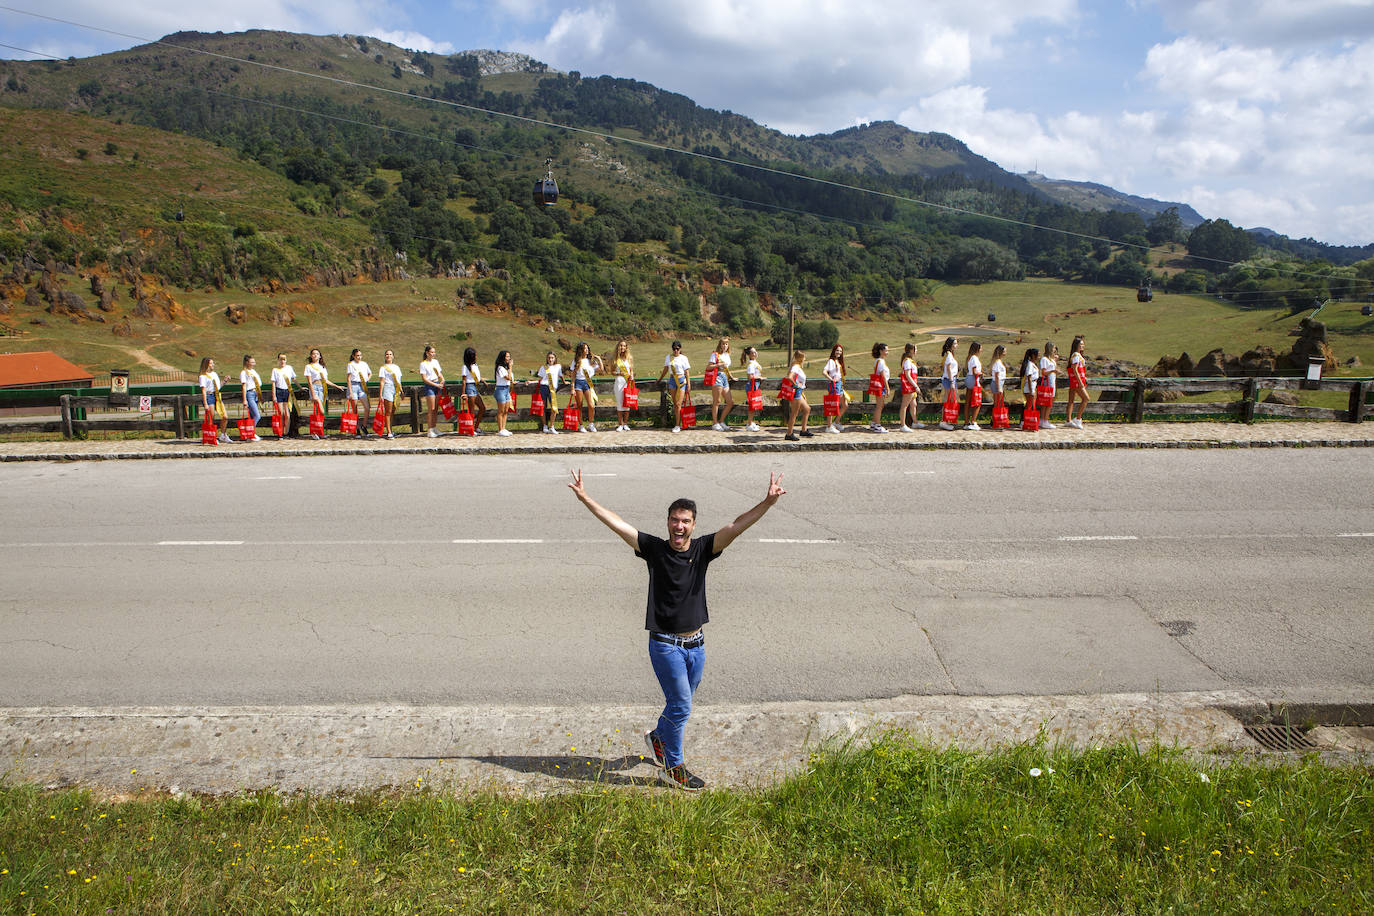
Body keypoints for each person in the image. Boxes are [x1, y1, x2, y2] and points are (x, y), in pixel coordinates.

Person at [567, 468, 788, 791]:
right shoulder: (654, 550)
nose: (679, 526)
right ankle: (673, 766)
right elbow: (617, 524)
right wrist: (586, 498)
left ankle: (658, 736)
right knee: (682, 705)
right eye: (674, 519)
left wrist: (767, 502)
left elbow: (737, 525)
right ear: (668, 522)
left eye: (685, 521)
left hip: (697, 646)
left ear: (693, 525)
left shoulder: (702, 550)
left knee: (678, 705)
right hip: (665, 644)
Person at [303, 348, 344, 440]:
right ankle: (315, 431)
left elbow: (325, 380)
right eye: (313, 354)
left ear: (320, 356)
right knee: (321, 411)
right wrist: (312, 393)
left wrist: (336, 386)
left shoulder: (322, 367)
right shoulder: (309, 367)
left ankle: (318, 431)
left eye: (317, 354)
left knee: (319, 412)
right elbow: (309, 381)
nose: (315, 355)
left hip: (322, 388)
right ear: (311, 356)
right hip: (314, 387)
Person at [656, 341, 691, 433]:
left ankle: (678, 424)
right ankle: (677, 423)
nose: (676, 350)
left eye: (677, 349)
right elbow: (666, 369)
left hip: (681, 380)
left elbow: (687, 372)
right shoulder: (669, 357)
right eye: (674, 349)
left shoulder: (684, 358)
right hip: (672, 380)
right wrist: (660, 379)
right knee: (675, 404)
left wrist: (689, 384)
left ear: (680, 349)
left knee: (679, 403)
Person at [783, 349, 813, 441]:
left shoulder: (796, 366)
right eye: (804, 358)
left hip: (799, 392)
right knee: (794, 413)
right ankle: (789, 433)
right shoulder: (796, 367)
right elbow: (789, 377)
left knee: (807, 409)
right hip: (796, 391)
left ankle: (803, 430)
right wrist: (796, 385)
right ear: (800, 358)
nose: (805, 359)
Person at [198, 357, 228, 443]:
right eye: (211, 363)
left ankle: (223, 435)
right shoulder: (203, 376)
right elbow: (203, 390)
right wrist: (205, 403)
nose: (213, 365)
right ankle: (211, 436)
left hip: (217, 395)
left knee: (225, 416)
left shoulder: (214, 374)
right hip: (209, 396)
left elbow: (217, 387)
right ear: (206, 364)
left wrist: (224, 381)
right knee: (211, 418)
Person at [707, 337, 735, 431]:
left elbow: (726, 368)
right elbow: (709, 366)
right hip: (717, 377)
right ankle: (715, 423)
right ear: (720, 345)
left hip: (724, 377)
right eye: (723, 344)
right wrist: (718, 365)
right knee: (717, 401)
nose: (724, 346)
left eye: (726, 344)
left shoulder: (727, 355)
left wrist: (731, 377)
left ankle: (721, 421)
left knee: (730, 402)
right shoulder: (715, 354)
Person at [571, 342, 599, 433]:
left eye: (587, 348)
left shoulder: (589, 360)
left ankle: (591, 424)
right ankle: (581, 425)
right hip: (578, 383)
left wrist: (598, 360)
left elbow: (598, 369)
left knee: (591, 405)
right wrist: (572, 387)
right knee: (579, 405)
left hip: (587, 383)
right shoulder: (576, 361)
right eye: (585, 348)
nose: (587, 350)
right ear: (581, 350)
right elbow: (573, 375)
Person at [345, 348, 373, 438]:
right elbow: (348, 378)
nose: (359, 357)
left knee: (367, 407)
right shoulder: (351, 365)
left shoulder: (364, 364)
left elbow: (370, 373)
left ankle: (363, 426)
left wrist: (366, 380)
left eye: (360, 355)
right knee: (355, 409)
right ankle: (356, 429)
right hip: (353, 385)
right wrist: (350, 392)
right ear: (353, 356)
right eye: (357, 356)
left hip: (362, 386)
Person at [419, 344, 445, 438]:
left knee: (436, 409)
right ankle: (429, 429)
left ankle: (434, 427)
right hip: (430, 386)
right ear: (427, 353)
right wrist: (435, 384)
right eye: (431, 352)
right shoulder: (423, 364)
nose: (433, 354)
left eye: (434, 352)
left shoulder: (436, 362)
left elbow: (439, 373)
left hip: (437, 384)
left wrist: (442, 379)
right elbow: (424, 378)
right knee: (431, 408)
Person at [270, 353, 296, 439]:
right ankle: (280, 432)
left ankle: (286, 432)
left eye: (284, 359)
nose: (282, 361)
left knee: (287, 414)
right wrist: (274, 395)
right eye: (281, 359)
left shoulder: (289, 368)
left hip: (287, 391)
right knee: (280, 413)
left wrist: (300, 387)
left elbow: (294, 379)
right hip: (279, 391)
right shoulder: (275, 370)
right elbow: (273, 383)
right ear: (278, 360)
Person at [461, 346, 488, 434]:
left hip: (475, 387)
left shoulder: (475, 365)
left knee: (482, 408)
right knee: (471, 410)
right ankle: (471, 429)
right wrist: (463, 393)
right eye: (474, 355)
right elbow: (464, 381)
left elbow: (477, 377)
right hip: (470, 387)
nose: (476, 357)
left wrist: (483, 381)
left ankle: (475, 427)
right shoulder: (465, 367)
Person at [377, 349, 403, 439]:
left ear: (393, 356)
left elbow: (399, 381)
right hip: (388, 388)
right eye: (387, 354)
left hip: (396, 389)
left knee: (393, 411)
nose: (388, 356)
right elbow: (382, 382)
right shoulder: (383, 368)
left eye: (390, 354)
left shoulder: (396, 367)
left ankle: (390, 430)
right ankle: (388, 432)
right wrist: (380, 394)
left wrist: (401, 391)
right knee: (388, 411)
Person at [822, 343, 847, 433]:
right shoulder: (831, 361)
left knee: (845, 404)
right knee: (833, 405)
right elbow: (824, 372)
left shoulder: (838, 361)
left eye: (840, 351)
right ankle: (829, 426)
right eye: (837, 350)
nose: (839, 352)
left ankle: (836, 422)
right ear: (834, 351)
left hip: (840, 385)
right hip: (835, 385)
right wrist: (831, 379)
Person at [537, 351, 563, 434]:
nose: (550, 359)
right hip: (543, 387)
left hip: (552, 389)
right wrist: (531, 382)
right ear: (547, 359)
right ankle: (545, 425)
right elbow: (540, 379)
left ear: (555, 358)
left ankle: (551, 426)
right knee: (543, 407)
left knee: (554, 408)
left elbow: (561, 375)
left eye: (552, 358)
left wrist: (564, 382)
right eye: (549, 358)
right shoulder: (543, 367)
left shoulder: (558, 367)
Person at [898, 343, 923, 431]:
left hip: (911, 386)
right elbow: (908, 375)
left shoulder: (910, 361)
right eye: (915, 349)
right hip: (909, 386)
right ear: (911, 350)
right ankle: (903, 425)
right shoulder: (908, 361)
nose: (916, 351)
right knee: (905, 405)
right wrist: (915, 386)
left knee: (913, 404)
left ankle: (915, 422)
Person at [1065, 335, 1089, 429]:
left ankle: (1068, 419)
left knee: (1071, 400)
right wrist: (1080, 381)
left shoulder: (1077, 355)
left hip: (1075, 380)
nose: (1083, 346)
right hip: (1077, 381)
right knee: (1086, 398)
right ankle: (1078, 418)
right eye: (1081, 344)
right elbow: (1075, 369)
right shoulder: (1076, 355)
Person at [962, 341, 984, 431]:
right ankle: (973, 420)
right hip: (974, 380)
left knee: (967, 402)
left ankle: (966, 422)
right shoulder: (975, 358)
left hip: (969, 378)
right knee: (977, 402)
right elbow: (975, 372)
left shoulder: (970, 358)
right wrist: (981, 373)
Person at [869, 343, 890, 433]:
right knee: (880, 406)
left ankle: (874, 423)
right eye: (886, 350)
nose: (887, 352)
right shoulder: (881, 361)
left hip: (878, 385)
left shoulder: (877, 361)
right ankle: (877, 425)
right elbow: (883, 376)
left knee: (879, 405)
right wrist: (887, 387)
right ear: (881, 351)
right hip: (881, 386)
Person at [613, 340, 634, 431]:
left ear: (626, 347)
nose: (622, 347)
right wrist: (619, 373)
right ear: (618, 347)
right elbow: (612, 372)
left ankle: (625, 423)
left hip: (627, 382)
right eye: (621, 345)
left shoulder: (629, 358)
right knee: (620, 403)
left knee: (627, 403)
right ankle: (620, 424)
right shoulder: (615, 359)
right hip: (619, 382)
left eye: (624, 346)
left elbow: (631, 370)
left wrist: (632, 375)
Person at [938, 336, 959, 431]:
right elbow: (949, 369)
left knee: (948, 399)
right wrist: (951, 382)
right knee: (947, 400)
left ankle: (945, 420)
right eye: (954, 343)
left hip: (950, 379)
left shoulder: (949, 354)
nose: (956, 345)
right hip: (949, 379)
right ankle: (944, 421)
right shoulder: (949, 355)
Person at [239, 354, 262, 441]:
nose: (254, 363)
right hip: (250, 394)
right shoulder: (244, 373)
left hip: (256, 393)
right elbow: (244, 386)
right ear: (247, 363)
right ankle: (250, 433)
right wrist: (244, 399)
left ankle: (251, 433)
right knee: (257, 415)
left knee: (252, 416)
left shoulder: (253, 371)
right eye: (252, 362)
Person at [493, 349, 514, 437]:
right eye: (507, 356)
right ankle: (500, 429)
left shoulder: (505, 367)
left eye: (509, 356)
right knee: (501, 411)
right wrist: (510, 367)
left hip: (506, 389)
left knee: (506, 410)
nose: (509, 358)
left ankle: (504, 428)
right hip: (500, 389)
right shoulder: (500, 368)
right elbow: (507, 377)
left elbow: (511, 378)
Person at [1038, 341, 1059, 429]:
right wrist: (1052, 371)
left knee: (1047, 402)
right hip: (1048, 381)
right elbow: (1043, 372)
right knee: (1047, 402)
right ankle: (1045, 420)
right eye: (1054, 348)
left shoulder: (1051, 359)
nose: (1055, 350)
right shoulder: (1044, 359)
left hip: (1052, 380)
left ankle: (1043, 420)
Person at [742, 346, 762, 432]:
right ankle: (749, 424)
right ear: (749, 355)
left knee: (753, 404)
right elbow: (750, 376)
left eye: (755, 351)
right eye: (753, 352)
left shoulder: (754, 362)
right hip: (752, 385)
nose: (755, 353)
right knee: (752, 405)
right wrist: (760, 378)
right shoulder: (751, 364)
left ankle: (750, 422)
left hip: (755, 385)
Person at [1019, 347, 1041, 428]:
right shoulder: (1030, 365)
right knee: (1029, 405)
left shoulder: (1033, 364)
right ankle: (1024, 421)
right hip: (1030, 386)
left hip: (1033, 385)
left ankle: (1026, 421)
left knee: (1030, 404)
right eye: (1038, 355)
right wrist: (1031, 390)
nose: (1039, 357)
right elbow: (1029, 376)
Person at [988, 345, 1008, 428]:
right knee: (997, 403)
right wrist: (999, 387)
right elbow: (996, 376)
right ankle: (995, 421)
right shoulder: (997, 363)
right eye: (1004, 351)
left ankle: (995, 420)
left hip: (999, 383)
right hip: (997, 384)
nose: (1005, 353)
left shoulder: (997, 362)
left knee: (998, 403)